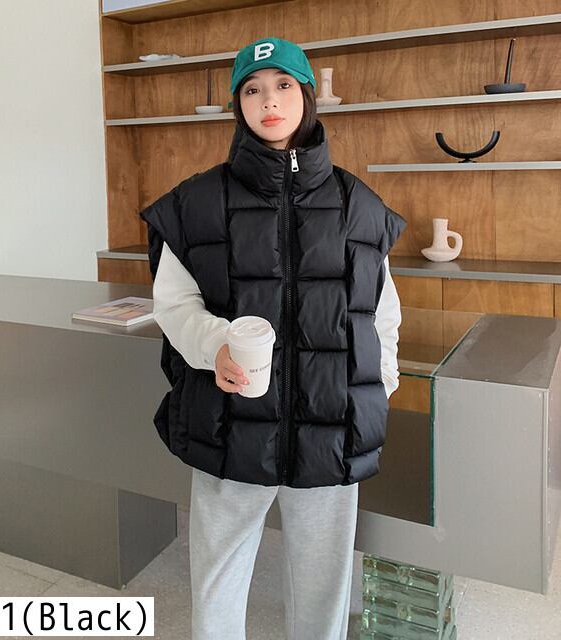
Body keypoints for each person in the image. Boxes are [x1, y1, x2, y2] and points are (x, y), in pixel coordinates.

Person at [141, 36, 406, 640]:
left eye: (284, 86)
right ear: (238, 104)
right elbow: (174, 305)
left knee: (323, 584)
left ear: (307, 95)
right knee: (219, 578)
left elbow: (381, 314)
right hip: (230, 418)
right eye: (253, 90)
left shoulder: (359, 205)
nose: (269, 101)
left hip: (330, 423)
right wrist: (216, 346)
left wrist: (378, 386)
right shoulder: (195, 203)